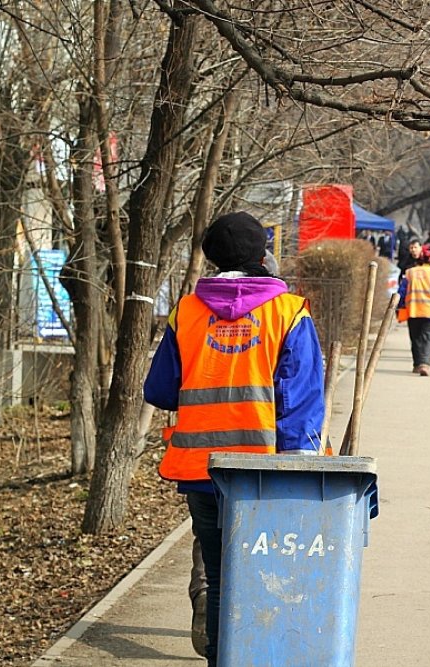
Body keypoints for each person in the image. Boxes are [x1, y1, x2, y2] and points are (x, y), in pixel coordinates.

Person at [144, 211, 325, 667]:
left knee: (221, 578)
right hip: (266, 473)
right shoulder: (288, 312)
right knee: (265, 576)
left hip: (203, 470)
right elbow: (300, 400)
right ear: (263, 254)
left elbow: (160, 390)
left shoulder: (186, 312)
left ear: (212, 259)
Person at [397, 245, 430, 375]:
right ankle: (425, 364)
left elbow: (402, 291)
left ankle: (417, 364)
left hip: (413, 309)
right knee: (427, 337)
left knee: (415, 337)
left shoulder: (410, 272)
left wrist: (400, 306)